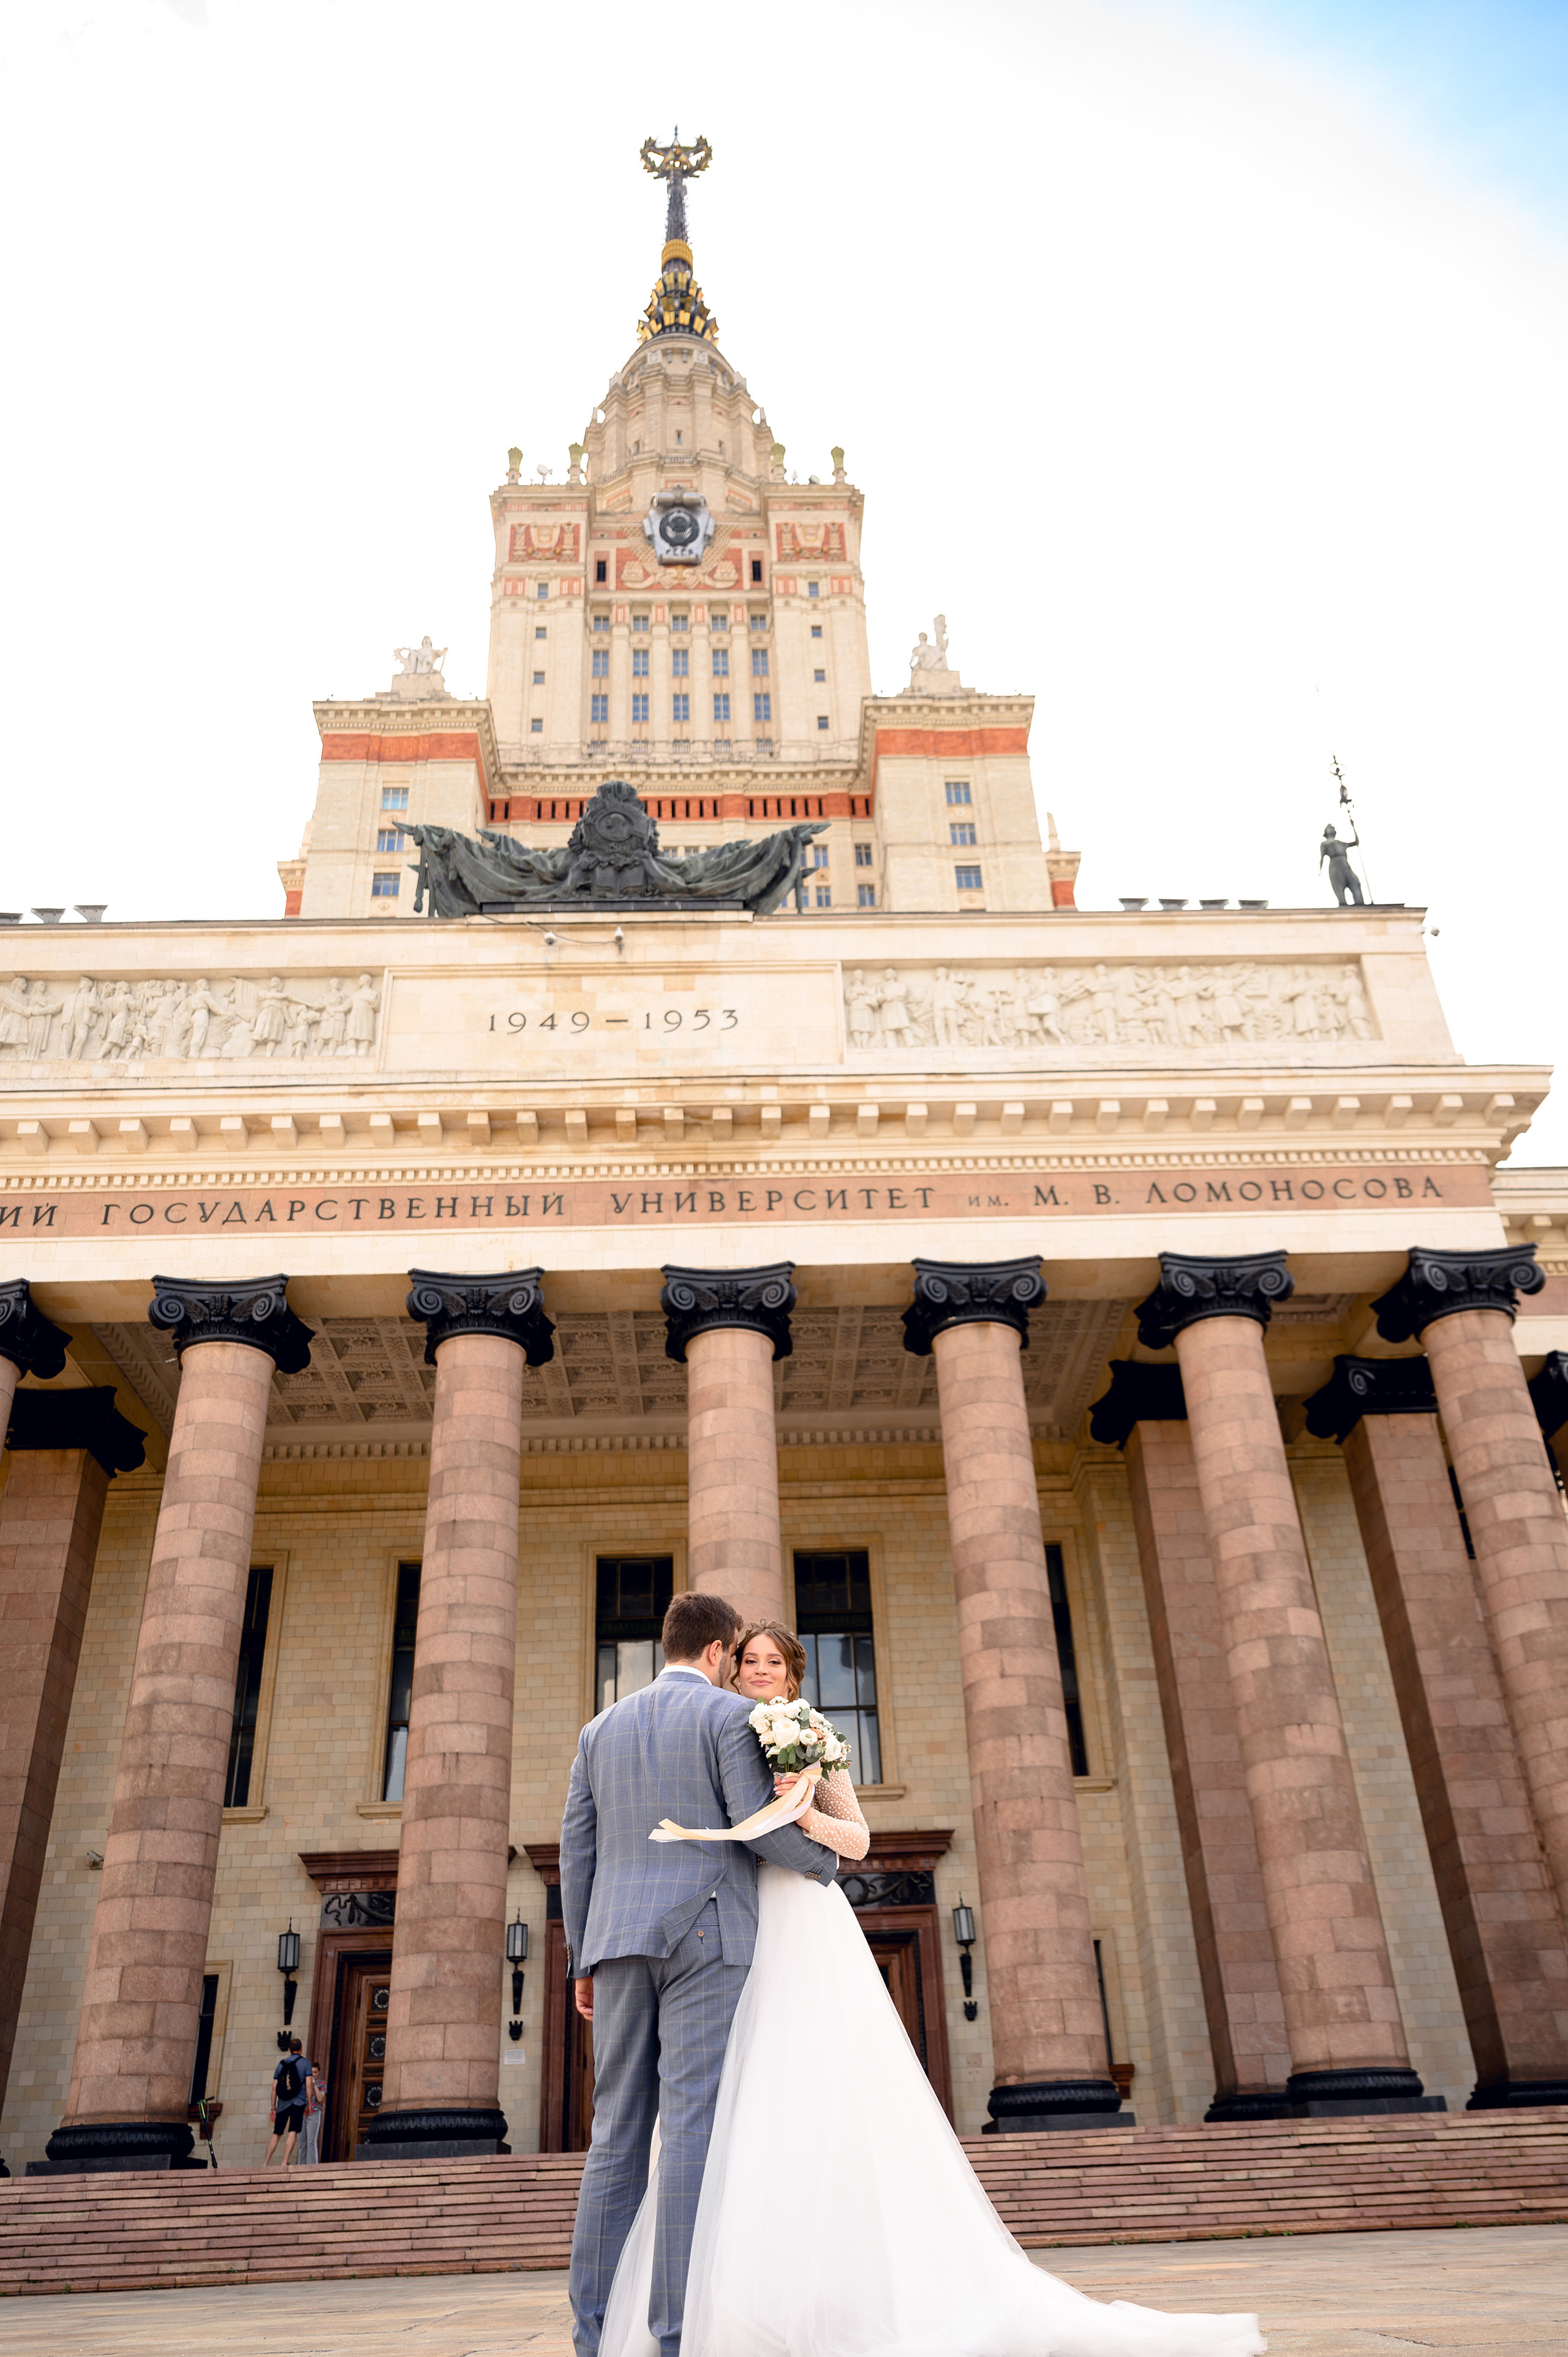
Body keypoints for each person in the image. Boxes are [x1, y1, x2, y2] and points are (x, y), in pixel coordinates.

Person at [594, 1624, 1264, 2357]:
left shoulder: (811, 1730)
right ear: (730, 1664)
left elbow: (857, 1841)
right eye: (749, 1660)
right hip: (727, 1925)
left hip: (800, 1919)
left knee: (813, 2086)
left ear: (792, 1675)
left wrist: (800, 1808)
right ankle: (744, 2293)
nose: (759, 1671)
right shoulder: (718, 1727)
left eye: (773, 1663)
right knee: (736, 2104)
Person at [562, 1591, 839, 2357]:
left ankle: (591, 2334)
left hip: (616, 1943)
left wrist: (581, 1956)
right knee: (689, 2125)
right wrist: (829, 1864)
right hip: (706, 1935)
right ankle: (675, 2333)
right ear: (718, 1653)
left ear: (669, 1645)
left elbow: (575, 1851)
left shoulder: (597, 1729)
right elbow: (756, 1826)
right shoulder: (727, 1718)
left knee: (615, 2132)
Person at [264, 2037, 309, 2166]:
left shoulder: (281, 2064)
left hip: (282, 2103)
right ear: (301, 2049)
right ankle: (284, 2163)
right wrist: (309, 2103)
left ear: (289, 2050)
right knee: (293, 2131)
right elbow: (309, 2086)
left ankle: (265, 2163)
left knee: (277, 2133)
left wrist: (273, 2108)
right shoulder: (305, 2063)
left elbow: (274, 2088)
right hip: (298, 2102)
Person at [300, 2057, 327, 2163]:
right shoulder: (303, 2084)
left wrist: (314, 2084)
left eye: (315, 2072)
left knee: (311, 2141)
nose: (313, 2074)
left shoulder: (322, 2084)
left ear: (318, 2072)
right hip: (302, 2113)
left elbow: (320, 2099)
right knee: (302, 2142)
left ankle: (312, 2166)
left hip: (314, 2113)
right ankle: (301, 2165)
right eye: (311, 2072)